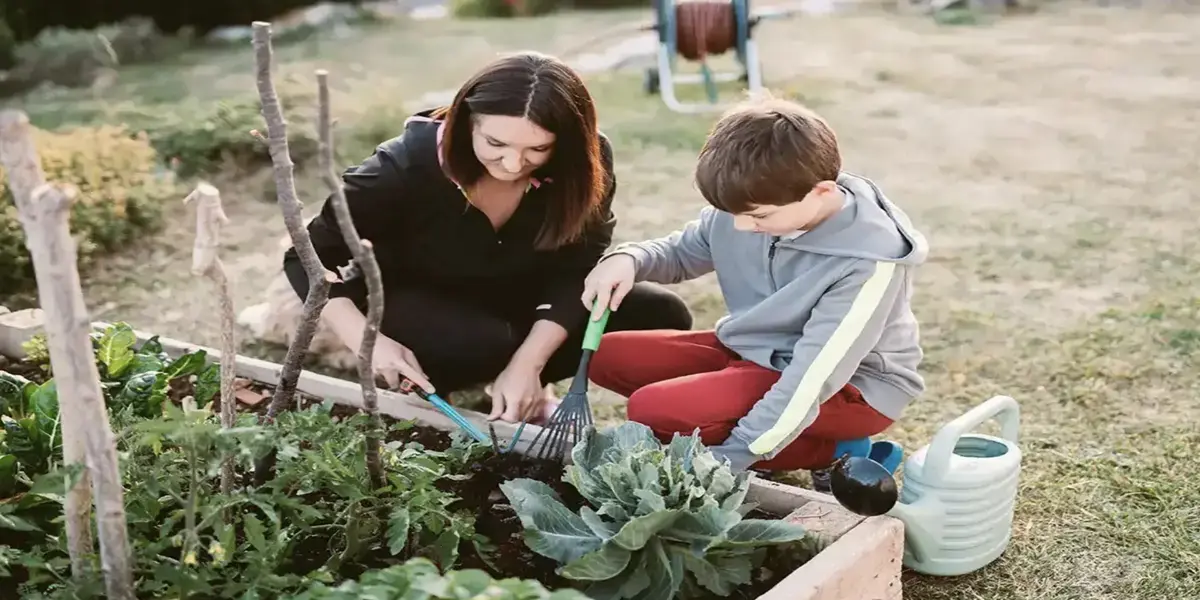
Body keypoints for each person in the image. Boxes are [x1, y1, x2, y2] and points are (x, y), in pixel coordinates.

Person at [283, 51, 693, 425]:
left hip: (524, 296)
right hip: (422, 305)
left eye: (538, 148)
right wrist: (366, 341)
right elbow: (306, 258)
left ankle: (520, 382)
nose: (513, 163)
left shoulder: (585, 163)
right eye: (495, 143)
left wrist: (530, 364)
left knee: (658, 315)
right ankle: (455, 381)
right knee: (485, 342)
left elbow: (579, 266)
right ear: (465, 122)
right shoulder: (398, 170)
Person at [580, 96, 926, 479]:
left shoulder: (867, 261)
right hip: (757, 351)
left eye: (758, 216)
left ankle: (835, 449)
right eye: (733, 214)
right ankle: (750, 424)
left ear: (822, 193)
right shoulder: (752, 202)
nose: (742, 227)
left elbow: (812, 379)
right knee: (606, 355)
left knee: (652, 410)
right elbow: (682, 252)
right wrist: (629, 259)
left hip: (849, 388)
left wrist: (731, 456)